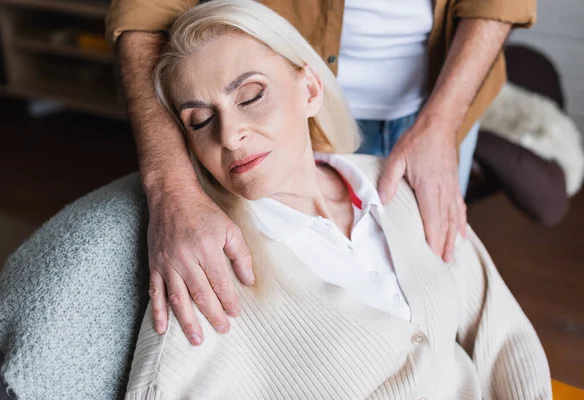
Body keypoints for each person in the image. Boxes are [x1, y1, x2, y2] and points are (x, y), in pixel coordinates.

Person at [123, 2, 551, 398]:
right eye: (200, 120)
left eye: (251, 96)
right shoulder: (213, 263)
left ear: (309, 90)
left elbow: (505, 338)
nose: (230, 134)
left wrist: (441, 123)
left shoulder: (398, 190)